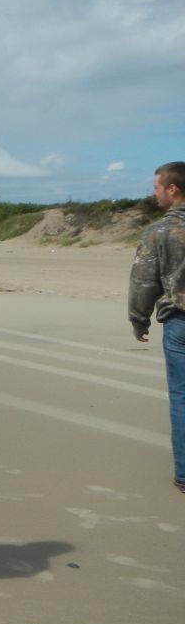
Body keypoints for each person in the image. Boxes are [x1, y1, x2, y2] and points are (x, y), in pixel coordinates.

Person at [128, 161, 185, 494]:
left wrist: (139, 319)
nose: (154, 192)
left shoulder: (157, 232)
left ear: (172, 189)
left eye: (156, 187)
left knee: (182, 396)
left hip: (180, 321)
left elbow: (143, 282)